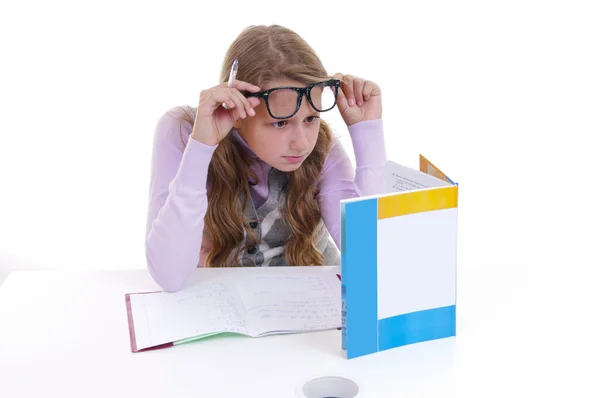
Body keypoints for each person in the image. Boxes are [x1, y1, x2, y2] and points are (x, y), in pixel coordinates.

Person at [145, 24, 387, 292]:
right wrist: (201, 147)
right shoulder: (184, 131)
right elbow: (168, 275)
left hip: (310, 306)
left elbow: (373, 258)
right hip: (222, 308)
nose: (302, 143)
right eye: (280, 123)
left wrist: (367, 134)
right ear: (236, 112)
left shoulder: (322, 147)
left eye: (311, 119)